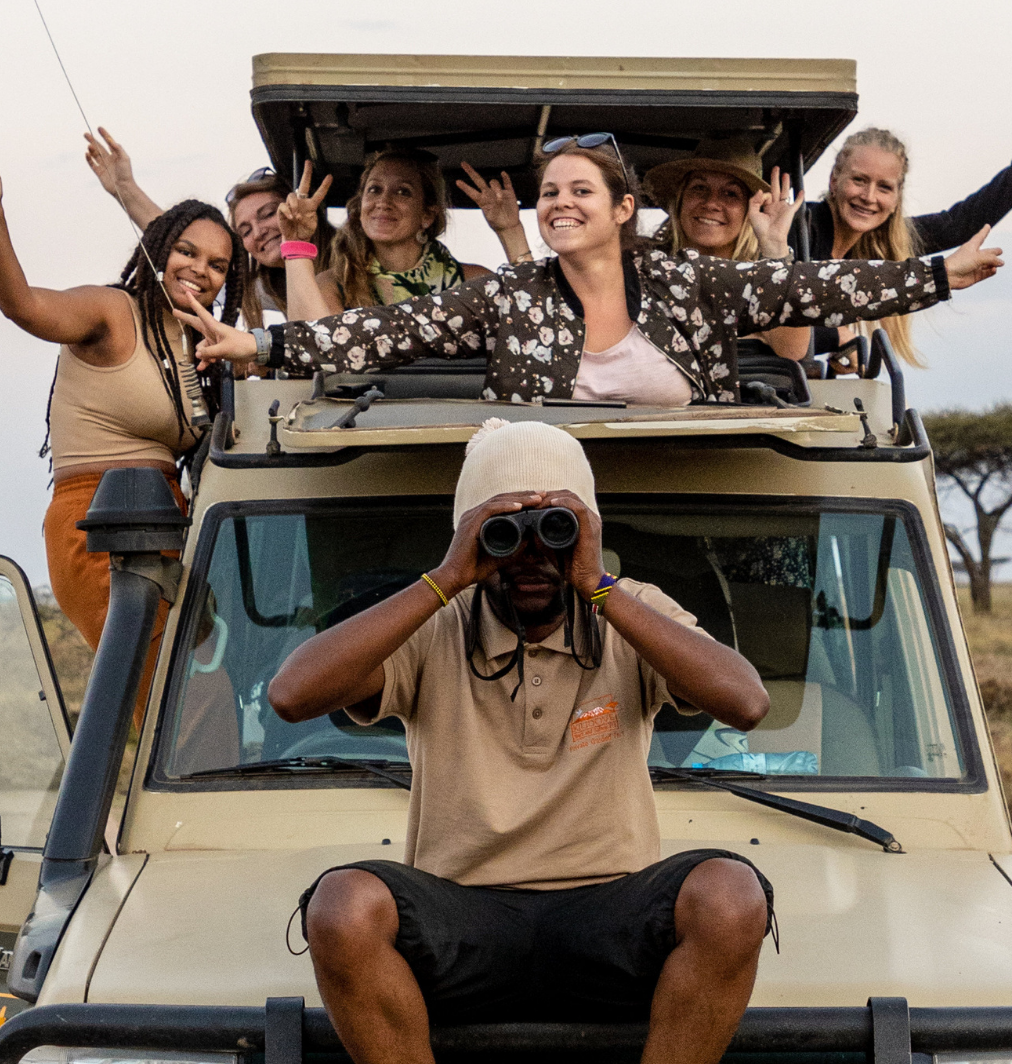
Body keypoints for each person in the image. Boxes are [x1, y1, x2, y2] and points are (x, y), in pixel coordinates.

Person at [267, 419, 775, 1064]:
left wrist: (597, 584)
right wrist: (446, 578)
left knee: (731, 894)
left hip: (609, 909)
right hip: (462, 913)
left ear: (587, 532)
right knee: (341, 906)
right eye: (504, 535)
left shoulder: (628, 610)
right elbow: (292, 695)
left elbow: (746, 703)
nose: (532, 556)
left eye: (556, 531)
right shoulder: (437, 621)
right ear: (470, 535)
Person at [178, 135, 1003, 406]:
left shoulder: (688, 284)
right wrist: (262, 348)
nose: (560, 203)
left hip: (681, 501)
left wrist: (939, 274)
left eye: (580, 191)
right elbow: (384, 332)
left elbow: (816, 287)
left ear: (621, 210)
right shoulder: (510, 295)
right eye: (549, 193)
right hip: (535, 517)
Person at [0, 139, 245, 718]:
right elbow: (24, 305)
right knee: (188, 702)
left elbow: (193, 252)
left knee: (204, 690)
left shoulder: (198, 338)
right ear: (159, 250)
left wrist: (128, 188)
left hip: (164, 526)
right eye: (186, 252)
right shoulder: (111, 311)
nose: (200, 269)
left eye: (218, 265)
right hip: (100, 528)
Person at [802, 68, 1012, 370]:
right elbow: (775, 315)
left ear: (897, 198)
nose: (869, 197)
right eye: (859, 180)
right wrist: (838, 337)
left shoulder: (879, 243)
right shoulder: (799, 227)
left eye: (884, 187)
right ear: (834, 180)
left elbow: (962, 223)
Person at [82, 127, 329, 327]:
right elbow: (181, 241)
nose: (258, 232)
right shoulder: (268, 285)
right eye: (245, 231)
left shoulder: (345, 261)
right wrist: (125, 188)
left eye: (268, 214)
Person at [274, 150, 502, 321]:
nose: (383, 202)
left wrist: (509, 229)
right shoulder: (335, 284)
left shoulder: (473, 282)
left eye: (403, 192)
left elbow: (520, 337)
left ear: (427, 215)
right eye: (374, 189)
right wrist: (296, 242)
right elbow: (309, 348)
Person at [641, 139, 808, 359]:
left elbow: (793, 350)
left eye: (730, 193)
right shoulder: (645, 267)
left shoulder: (762, 280)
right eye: (699, 188)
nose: (711, 203)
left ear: (751, 209)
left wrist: (775, 247)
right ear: (680, 200)